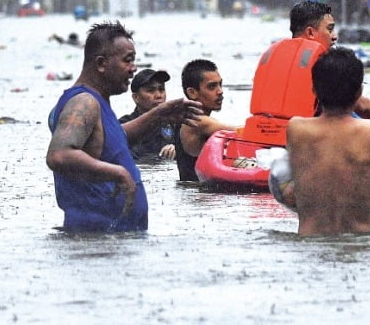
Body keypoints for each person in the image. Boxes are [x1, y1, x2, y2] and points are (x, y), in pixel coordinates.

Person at [45, 21, 202, 232]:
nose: (133, 68)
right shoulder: (84, 102)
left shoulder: (96, 101)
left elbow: (114, 140)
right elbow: (60, 155)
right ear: (101, 64)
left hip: (114, 238)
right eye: (128, 60)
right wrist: (118, 173)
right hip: (95, 240)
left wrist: (158, 114)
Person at [281, 47, 370, 235]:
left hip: (309, 245)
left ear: (314, 90)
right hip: (361, 243)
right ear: (359, 92)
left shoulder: (296, 129)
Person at [173, 59, 238, 182]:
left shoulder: (187, 119)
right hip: (200, 195)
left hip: (193, 193)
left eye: (220, 84)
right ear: (192, 93)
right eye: (212, 86)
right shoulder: (198, 121)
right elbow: (243, 132)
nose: (220, 91)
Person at [117, 69, 176, 160]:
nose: (158, 95)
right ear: (135, 97)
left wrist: (177, 149)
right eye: (151, 90)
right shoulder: (125, 125)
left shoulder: (175, 121)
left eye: (161, 89)